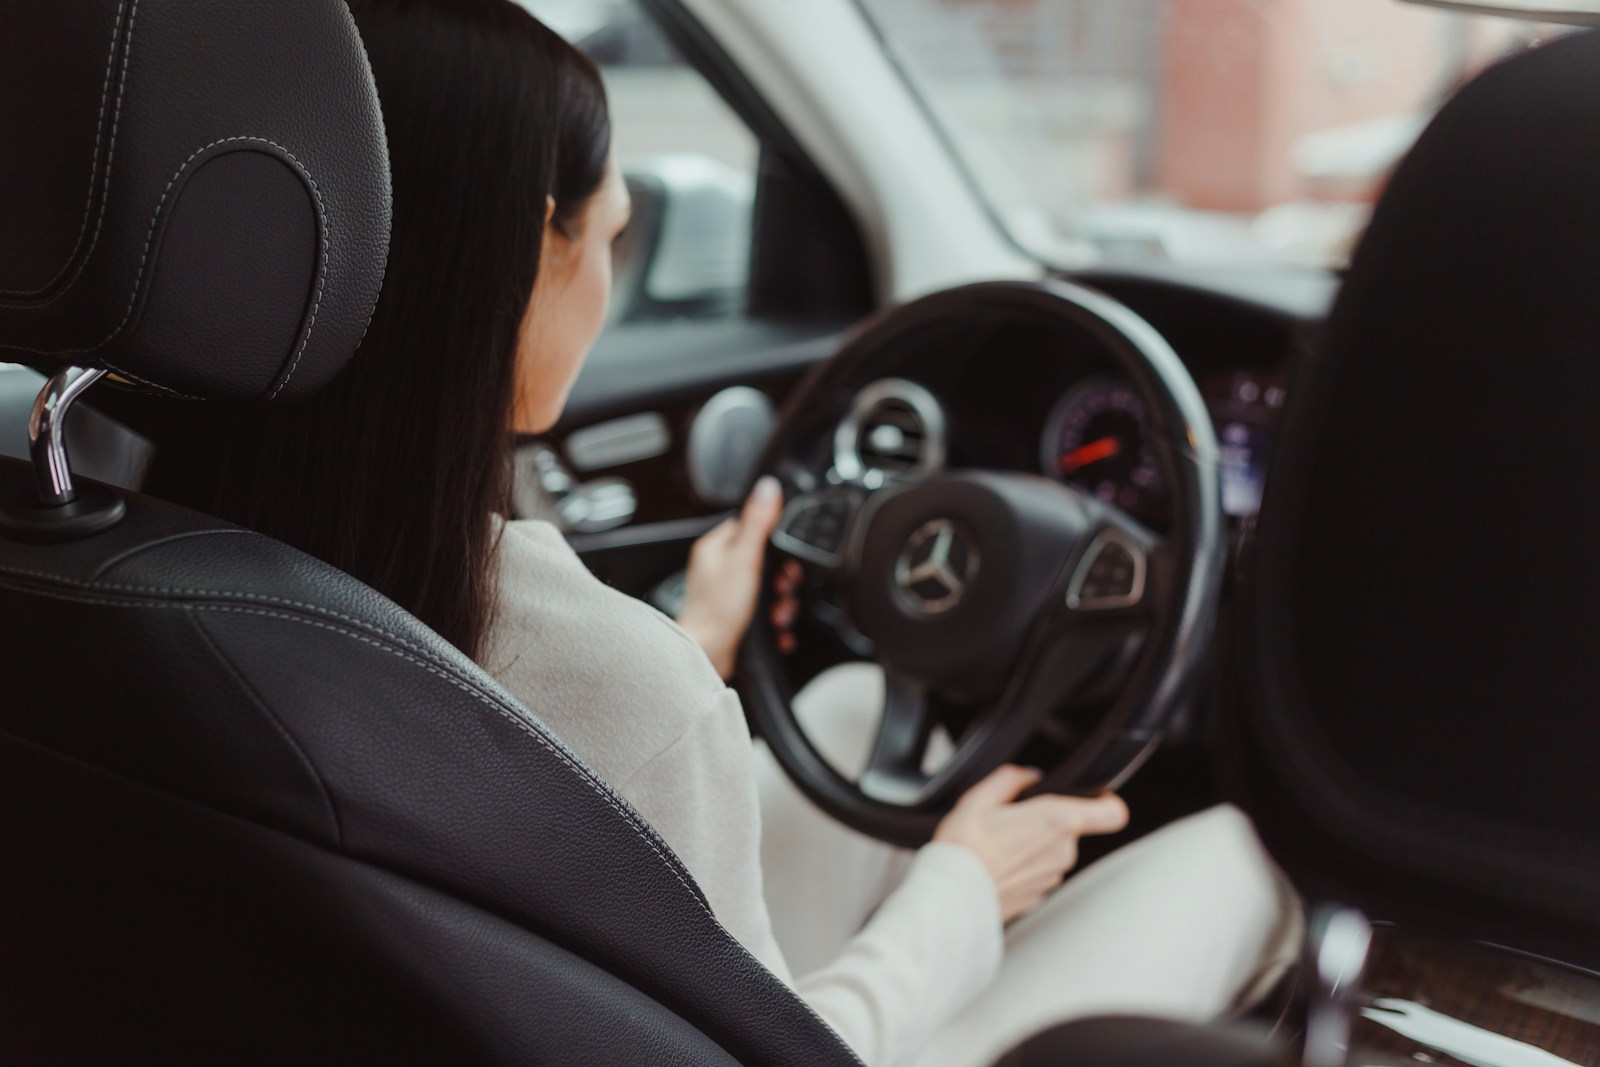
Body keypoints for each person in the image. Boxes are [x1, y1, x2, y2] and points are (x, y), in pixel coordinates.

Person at [146, 2, 1301, 1064]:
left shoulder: (125, 548)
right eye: (613, 236)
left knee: (850, 706)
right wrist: (960, 887)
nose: (613, 276)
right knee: (1246, 863)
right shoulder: (621, 678)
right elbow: (776, 1049)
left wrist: (689, 637)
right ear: (522, 260)